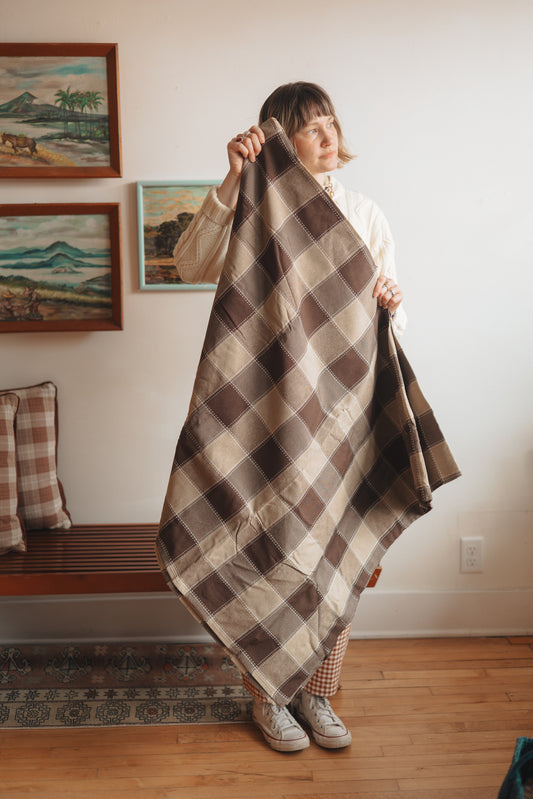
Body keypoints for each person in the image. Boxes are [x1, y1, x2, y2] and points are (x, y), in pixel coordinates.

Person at [170, 82, 407, 753]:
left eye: (331, 123)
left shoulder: (364, 214)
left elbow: (395, 323)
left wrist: (390, 302)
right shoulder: (255, 210)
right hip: (270, 415)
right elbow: (189, 262)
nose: (328, 137)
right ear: (279, 139)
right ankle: (269, 697)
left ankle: (317, 694)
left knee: (337, 558)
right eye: (310, 128)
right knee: (270, 546)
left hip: (348, 417)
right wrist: (234, 176)